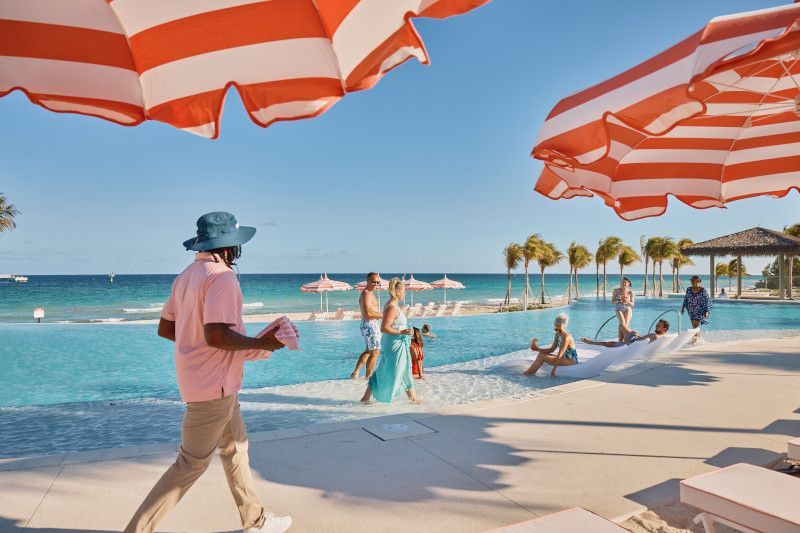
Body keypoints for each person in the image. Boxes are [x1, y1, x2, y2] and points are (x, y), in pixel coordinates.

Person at [125, 212, 292, 533]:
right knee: (190, 463)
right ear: (231, 246)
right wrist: (266, 344)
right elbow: (216, 334)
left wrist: (199, 345)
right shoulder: (222, 277)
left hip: (213, 383)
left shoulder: (187, 275)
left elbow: (166, 328)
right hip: (214, 388)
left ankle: (255, 520)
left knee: (236, 451)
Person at [360, 278, 419, 403]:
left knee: (398, 370)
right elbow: (384, 328)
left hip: (397, 342)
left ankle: (413, 398)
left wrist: (406, 331)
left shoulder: (392, 305)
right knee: (395, 370)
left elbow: (393, 325)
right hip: (395, 344)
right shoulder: (392, 307)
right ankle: (367, 398)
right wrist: (401, 332)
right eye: (403, 291)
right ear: (397, 292)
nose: (405, 293)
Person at [350, 272, 384, 379]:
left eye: (377, 282)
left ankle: (355, 373)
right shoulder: (366, 294)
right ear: (368, 281)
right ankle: (368, 377)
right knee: (375, 351)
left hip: (372, 325)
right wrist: (385, 314)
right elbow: (367, 314)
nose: (376, 284)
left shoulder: (370, 293)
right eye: (373, 281)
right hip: (370, 325)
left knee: (369, 351)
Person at [523, 313, 578, 378]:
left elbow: (560, 354)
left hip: (571, 361)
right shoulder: (557, 335)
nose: (558, 331)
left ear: (565, 326)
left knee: (542, 357)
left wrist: (554, 370)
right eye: (556, 329)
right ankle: (529, 373)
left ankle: (527, 374)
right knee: (541, 354)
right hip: (564, 358)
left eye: (560, 330)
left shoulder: (566, 337)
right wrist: (537, 349)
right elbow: (552, 349)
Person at [581, 319, 670, 347]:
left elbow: (638, 342)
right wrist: (637, 335)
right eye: (656, 325)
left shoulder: (654, 335)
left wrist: (632, 337)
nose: (656, 326)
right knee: (622, 325)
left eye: (658, 326)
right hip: (635, 341)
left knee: (607, 343)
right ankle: (620, 341)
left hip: (630, 343)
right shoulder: (662, 336)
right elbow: (643, 340)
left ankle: (591, 342)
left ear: (664, 329)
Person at [682, 275, 712, 342]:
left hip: (699, 310)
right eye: (691, 280)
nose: (692, 282)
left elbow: (707, 300)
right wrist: (683, 307)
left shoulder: (702, 290)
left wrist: (706, 311)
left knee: (695, 326)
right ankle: (698, 339)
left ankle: (694, 341)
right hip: (691, 310)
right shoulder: (688, 289)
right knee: (694, 327)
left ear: (698, 281)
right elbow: (686, 298)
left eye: (694, 280)